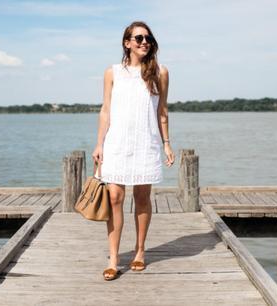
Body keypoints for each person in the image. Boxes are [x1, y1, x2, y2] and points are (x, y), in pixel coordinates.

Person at [92, 21, 175, 281]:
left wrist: (167, 143)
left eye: (148, 38)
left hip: (145, 143)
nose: (144, 42)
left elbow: (162, 111)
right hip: (117, 143)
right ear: (127, 42)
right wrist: (99, 143)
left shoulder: (160, 72)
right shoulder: (112, 72)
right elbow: (105, 110)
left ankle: (139, 251)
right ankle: (114, 259)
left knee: (142, 197)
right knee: (115, 197)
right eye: (138, 38)